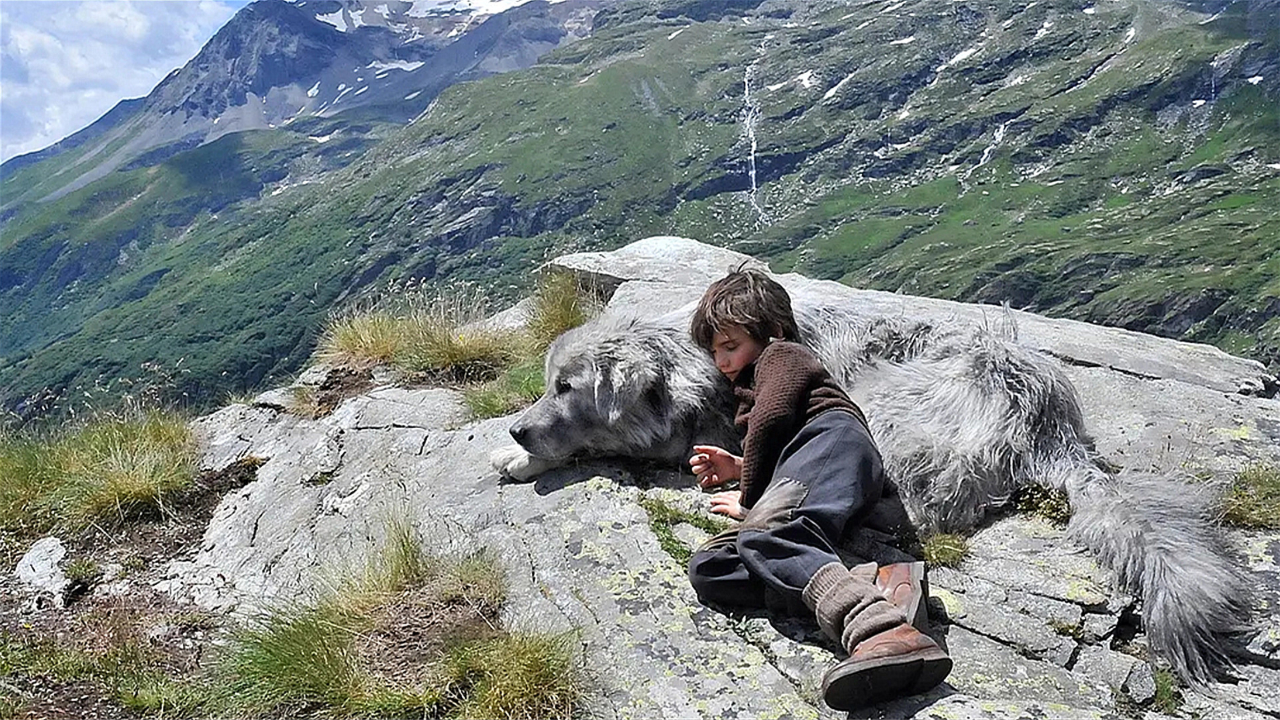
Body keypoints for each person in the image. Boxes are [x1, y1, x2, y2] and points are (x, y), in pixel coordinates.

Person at [686, 266, 951, 710]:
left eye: (731, 347)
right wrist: (738, 466)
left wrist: (750, 500)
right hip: (817, 461)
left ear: (770, 331)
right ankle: (884, 585)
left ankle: (881, 631)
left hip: (834, 440)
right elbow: (786, 459)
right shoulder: (756, 377)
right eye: (716, 352)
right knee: (714, 568)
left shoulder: (781, 354)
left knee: (767, 534)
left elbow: (772, 422)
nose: (723, 362)